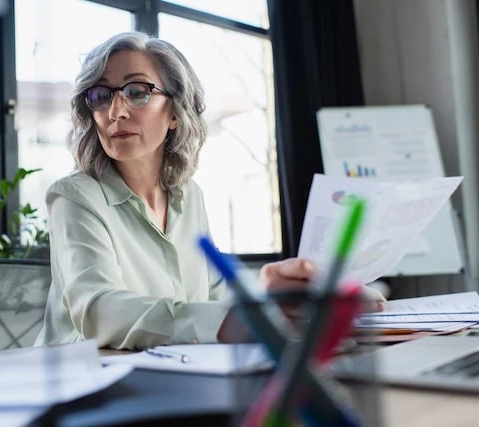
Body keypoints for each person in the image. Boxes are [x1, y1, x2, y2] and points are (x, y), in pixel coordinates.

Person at [34, 32, 383, 351]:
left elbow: (216, 290)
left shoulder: (188, 195)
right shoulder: (74, 197)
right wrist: (228, 322)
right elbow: (99, 310)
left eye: (136, 92)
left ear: (174, 111)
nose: (116, 111)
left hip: (168, 373)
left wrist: (287, 292)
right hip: (80, 390)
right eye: (100, 95)